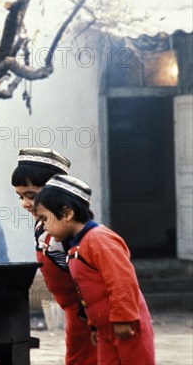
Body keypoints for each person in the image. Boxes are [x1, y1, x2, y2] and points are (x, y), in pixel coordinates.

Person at [35, 174, 155, 364]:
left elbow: (122, 280)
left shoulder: (99, 239)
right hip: (104, 330)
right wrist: (94, 326)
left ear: (67, 213)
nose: (42, 226)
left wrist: (123, 319)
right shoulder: (76, 246)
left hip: (126, 327)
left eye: (45, 218)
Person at [11, 148, 96, 364]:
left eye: (31, 195)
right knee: (76, 356)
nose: (25, 203)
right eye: (20, 196)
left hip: (87, 309)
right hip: (73, 310)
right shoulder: (43, 223)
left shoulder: (66, 229)